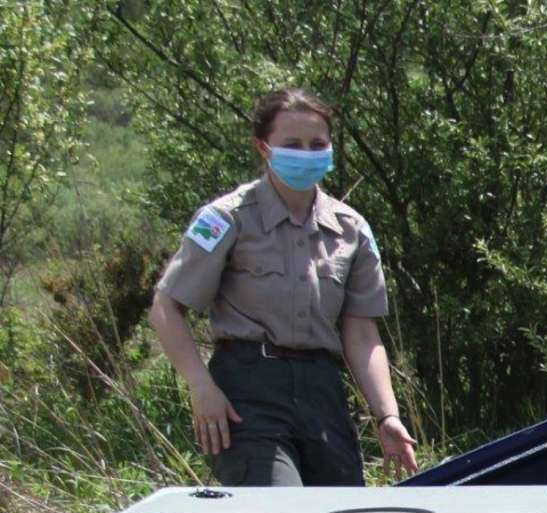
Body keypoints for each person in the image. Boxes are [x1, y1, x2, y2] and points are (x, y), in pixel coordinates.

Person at [148, 88, 418, 485]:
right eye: (292, 144)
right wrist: (202, 388)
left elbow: (362, 332)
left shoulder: (351, 230)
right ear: (264, 147)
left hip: (322, 389)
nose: (306, 153)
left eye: (317, 144)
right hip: (248, 388)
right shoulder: (226, 218)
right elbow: (165, 308)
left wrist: (387, 415)